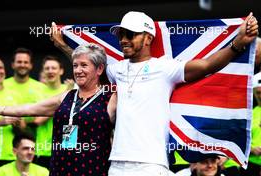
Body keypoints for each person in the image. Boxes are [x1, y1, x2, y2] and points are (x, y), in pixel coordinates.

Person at [50, 11, 258, 175]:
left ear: (148, 37)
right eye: (121, 34)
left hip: (151, 164)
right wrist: (63, 47)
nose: (123, 39)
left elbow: (206, 66)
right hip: (116, 164)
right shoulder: (117, 69)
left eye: (130, 34)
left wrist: (237, 44)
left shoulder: (165, 68)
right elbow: (90, 69)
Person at [0, 44, 116, 175]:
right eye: (75, 65)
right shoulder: (67, 96)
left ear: (99, 69)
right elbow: (30, 109)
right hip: (60, 169)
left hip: (93, 170)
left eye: (84, 65)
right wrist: (1, 109)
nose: (78, 70)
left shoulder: (110, 99)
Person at [33, 55, 71, 168]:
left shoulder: (72, 89)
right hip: (43, 150)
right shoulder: (37, 92)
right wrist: (66, 96)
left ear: (61, 70)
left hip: (66, 149)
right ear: (43, 71)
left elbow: (73, 119)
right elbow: (38, 120)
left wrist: (69, 146)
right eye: (47, 68)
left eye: (54, 68)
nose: (50, 71)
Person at [4, 47, 46, 136]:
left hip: (33, 140)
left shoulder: (41, 88)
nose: (22, 65)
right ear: (12, 64)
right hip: (5, 139)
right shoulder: (2, 85)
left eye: (26, 62)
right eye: (19, 62)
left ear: (31, 65)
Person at [0, 57, 25, 167]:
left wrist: (18, 124)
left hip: (11, 157)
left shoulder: (15, 95)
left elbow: (23, 128)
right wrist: (0, 123)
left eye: (0, 68)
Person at [240, 72, 261, 176]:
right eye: (258, 93)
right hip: (251, 164)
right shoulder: (250, 114)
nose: (260, 96)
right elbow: (241, 139)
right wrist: (252, 149)